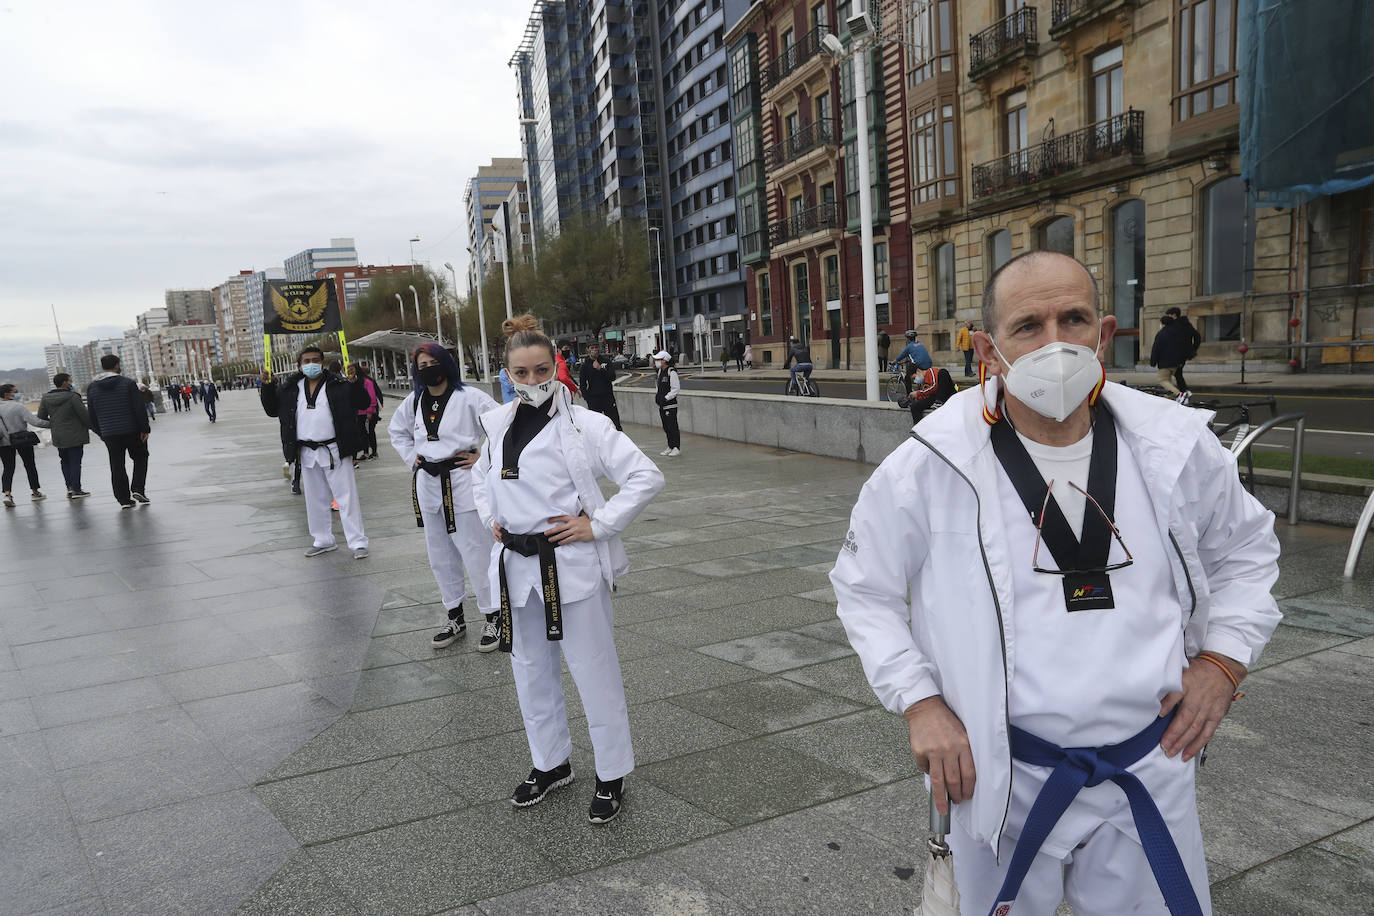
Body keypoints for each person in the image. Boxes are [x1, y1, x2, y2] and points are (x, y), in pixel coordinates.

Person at [831, 251, 1281, 914]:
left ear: (1103, 334)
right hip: (1000, 777)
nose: (1055, 342)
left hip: (1146, 770)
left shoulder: (1174, 447)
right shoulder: (930, 464)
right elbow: (862, 586)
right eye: (1028, 326)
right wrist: (920, 703)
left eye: (1073, 319)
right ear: (988, 349)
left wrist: (1222, 662)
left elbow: (1247, 553)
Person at [471, 314, 664, 824]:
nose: (532, 381)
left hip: (569, 567)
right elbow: (479, 480)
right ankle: (550, 763)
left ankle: (611, 773)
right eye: (521, 372)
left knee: (593, 671)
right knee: (530, 671)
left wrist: (597, 525)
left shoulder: (586, 424)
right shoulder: (497, 425)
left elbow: (646, 475)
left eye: (541, 370)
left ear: (556, 365)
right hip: (515, 566)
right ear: (506, 372)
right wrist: (493, 520)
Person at [388, 343, 501, 651]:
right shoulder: (414, 400)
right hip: (427, 481)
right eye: (421, 365)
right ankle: (455, 615)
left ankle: (494, 615)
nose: (427, 369)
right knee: (439, 554)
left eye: (432, 363)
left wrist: (484, 459)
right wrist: (412, 456)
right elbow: (396, 431)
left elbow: (503, 428)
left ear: (445, 364)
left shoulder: (471, 398)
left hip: (461, 481)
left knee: (476, 549)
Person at [260, 347, 371, 559]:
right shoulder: (291, 387)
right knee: (314, 498)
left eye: (315, 360)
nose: (311, 364)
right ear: (299, 365)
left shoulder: (339, 384)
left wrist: (355, 382)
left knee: (346, 496)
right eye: (306, 361)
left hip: (335, 449)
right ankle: (323, 539)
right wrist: (267, 386)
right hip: (306, 450)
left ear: (323, 362)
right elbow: (272, 409)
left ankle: (357, 542)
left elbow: (363, 403)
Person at [86, 355, 151, 508]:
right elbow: (138, 408)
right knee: (141, 457)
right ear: (116, 366)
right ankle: (137, 488)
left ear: (103, 367)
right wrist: (144, 428)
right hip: (131, 430)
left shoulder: (92, 387)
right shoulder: (127, 383)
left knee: (117, 465)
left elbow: (92, 413)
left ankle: (124, 500)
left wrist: (99, 432)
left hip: (109, 433)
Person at [39, 373, 93, 499]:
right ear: (64, 383)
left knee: (65, 461)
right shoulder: (72, 397)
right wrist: (94, 428)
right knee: (75, 462)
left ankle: (69, 488)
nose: (71, 383)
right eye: (70, 381)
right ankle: (77, 490)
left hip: (58, 436)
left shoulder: (46, 398)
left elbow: (41, 417)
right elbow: (84, 415)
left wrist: (55, 424)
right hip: (75, 435)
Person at [0, 383, 50, 507]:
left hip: (3, 442)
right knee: (29, 465)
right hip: (22, 439)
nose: (17, 394)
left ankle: (7, 494)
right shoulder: (18, 407)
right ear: (8, 394)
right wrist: (53, 423)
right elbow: (35, 421)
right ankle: (35, 492)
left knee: (8, 468)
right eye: (15, 391)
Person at [578, 341, 622, 431]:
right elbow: (582, 384)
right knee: (595, 426)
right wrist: (587, 398)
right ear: (588, 350)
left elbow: (612, 377)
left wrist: (600, 369)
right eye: (592, 348)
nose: (594, 350)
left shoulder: (606, 361)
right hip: (594, 399)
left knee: (615, 423)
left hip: (607, 397)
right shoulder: (585, 366)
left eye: (596, 347)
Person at [1149, 314, 1186, 397]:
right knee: (1168, 382)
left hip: (1165, 362)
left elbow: (1156, 349)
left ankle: (1179, 394)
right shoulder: (1179, 332)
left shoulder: (1161, 334)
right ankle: (1169, 399)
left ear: (1163, 324)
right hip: (1176, 363)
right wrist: (1182, 361)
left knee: (1162, 380)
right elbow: (1183, 347)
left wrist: (1153, 362)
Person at [1166, 307, 1202, 393]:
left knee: (1177, 373)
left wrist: (1192, 349)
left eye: (1169, 315)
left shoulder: (1176, 325)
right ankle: (1182, 391)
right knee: (1177, 373)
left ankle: (1183, 392)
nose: (1168, 317)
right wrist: (1192, 349)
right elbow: (1197, 336)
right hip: (1183, 353)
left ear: (1174, 315)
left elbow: (1196, 337)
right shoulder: (1186, 323)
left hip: (1179, 353)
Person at [652, 349, 681, 457]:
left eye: (658, 359)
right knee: (666, 427)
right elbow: (659, 387)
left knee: (672, 426)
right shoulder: (660, 372)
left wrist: (666, 398)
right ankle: (670, 445)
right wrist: (658, 397)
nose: (656, 362)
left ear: (664, 360)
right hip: (662, 405)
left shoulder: (671, 372)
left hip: (670, 405)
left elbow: (675, 389)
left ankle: (676, 447)